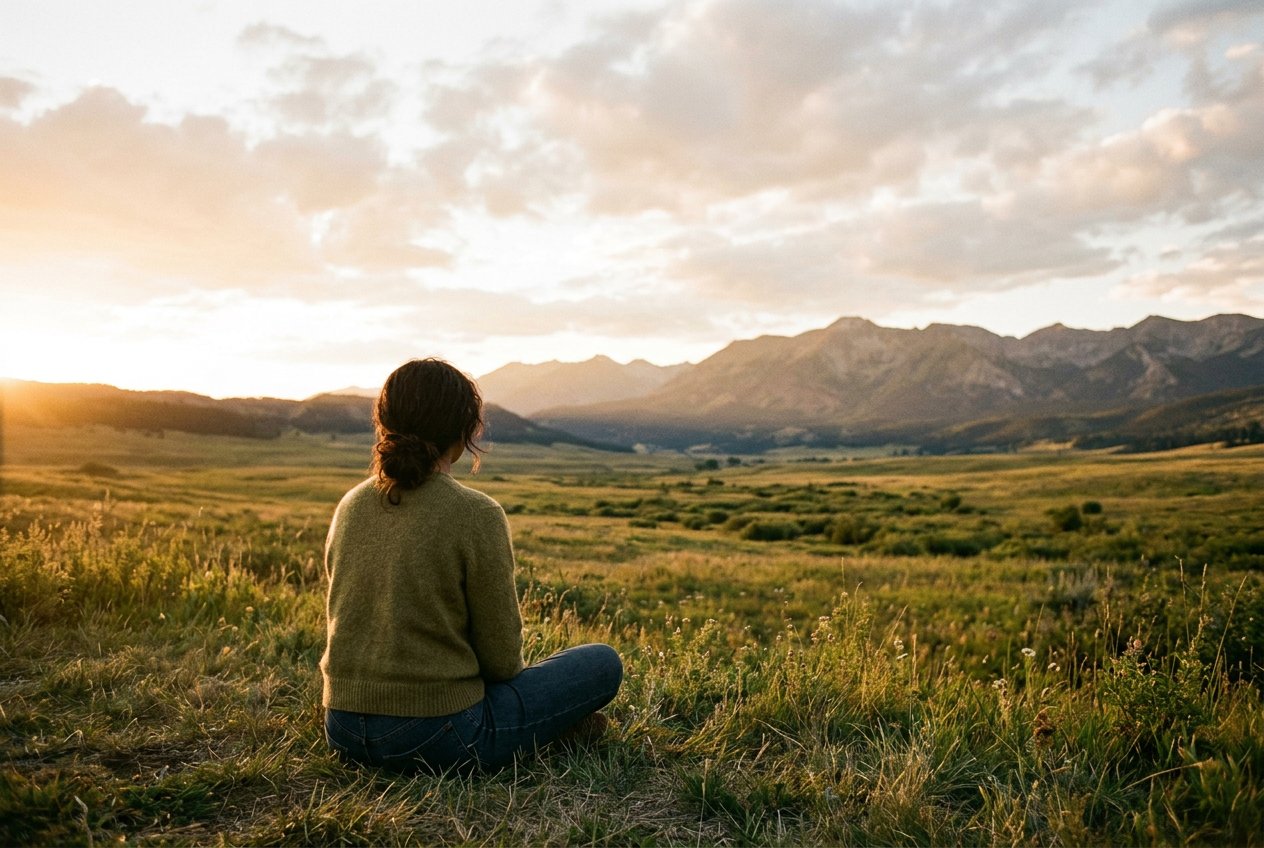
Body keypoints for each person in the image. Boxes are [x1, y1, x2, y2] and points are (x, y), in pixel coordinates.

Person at [320, 357, 622, 773]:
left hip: (342, 729)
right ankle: (546, 731)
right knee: (603, 663)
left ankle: (547, 730)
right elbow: (502, 663)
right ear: (463, 432)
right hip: (439, 736)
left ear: (384, 423)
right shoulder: (476, 513)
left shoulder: (350, 504)